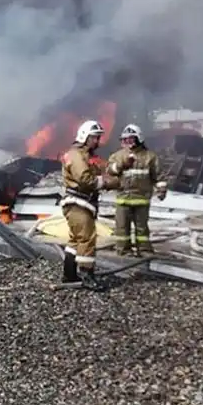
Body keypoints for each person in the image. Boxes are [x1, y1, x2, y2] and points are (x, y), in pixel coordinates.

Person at [61, 120, 119, 290]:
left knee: (76, 240)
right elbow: (85, 180)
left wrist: (122, 169)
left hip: (83, 203)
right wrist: (109, 183)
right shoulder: (75, 155)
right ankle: (87, 276)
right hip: (78, 203)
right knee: (87, 239)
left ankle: (69, 274)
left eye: (98, 138)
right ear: (84, 136)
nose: (97, 141)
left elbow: (104, 167)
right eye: (94, 137)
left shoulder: (87, 155)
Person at [106, 124, 167, 256]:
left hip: (141, 200)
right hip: (123, 199)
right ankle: (124, 251)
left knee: (142, 229)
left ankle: (144, 250)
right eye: (125, 139)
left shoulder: (150, 157)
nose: (127, 142)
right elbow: (110, 171)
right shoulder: (117, 156)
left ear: (139, 139)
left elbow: (159, 175)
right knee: (122, 229)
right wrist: (123, 163)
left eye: (130, 139)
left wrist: (161, 190)